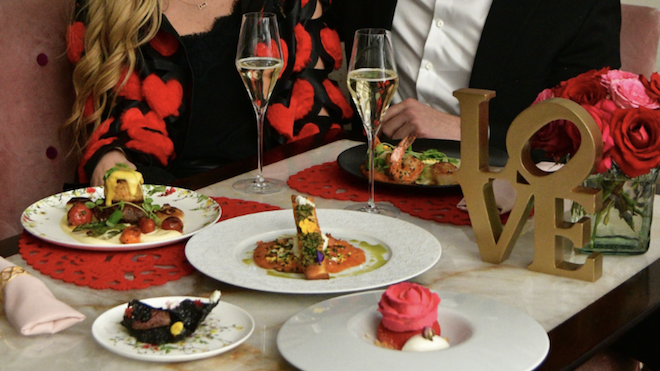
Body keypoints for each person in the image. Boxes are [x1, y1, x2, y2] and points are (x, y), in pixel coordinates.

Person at [62, 0, 358, 186]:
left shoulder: (290, 4)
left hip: (271, 193)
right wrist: (110, 159)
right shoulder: (111, 8)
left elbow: (317, 124)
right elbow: (114, 123)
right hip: (169, 201)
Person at [378, 0, 622, 153]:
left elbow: (584, 136)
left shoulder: (581, 6)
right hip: (369, 174)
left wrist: (465, 131)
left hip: (500, 191)